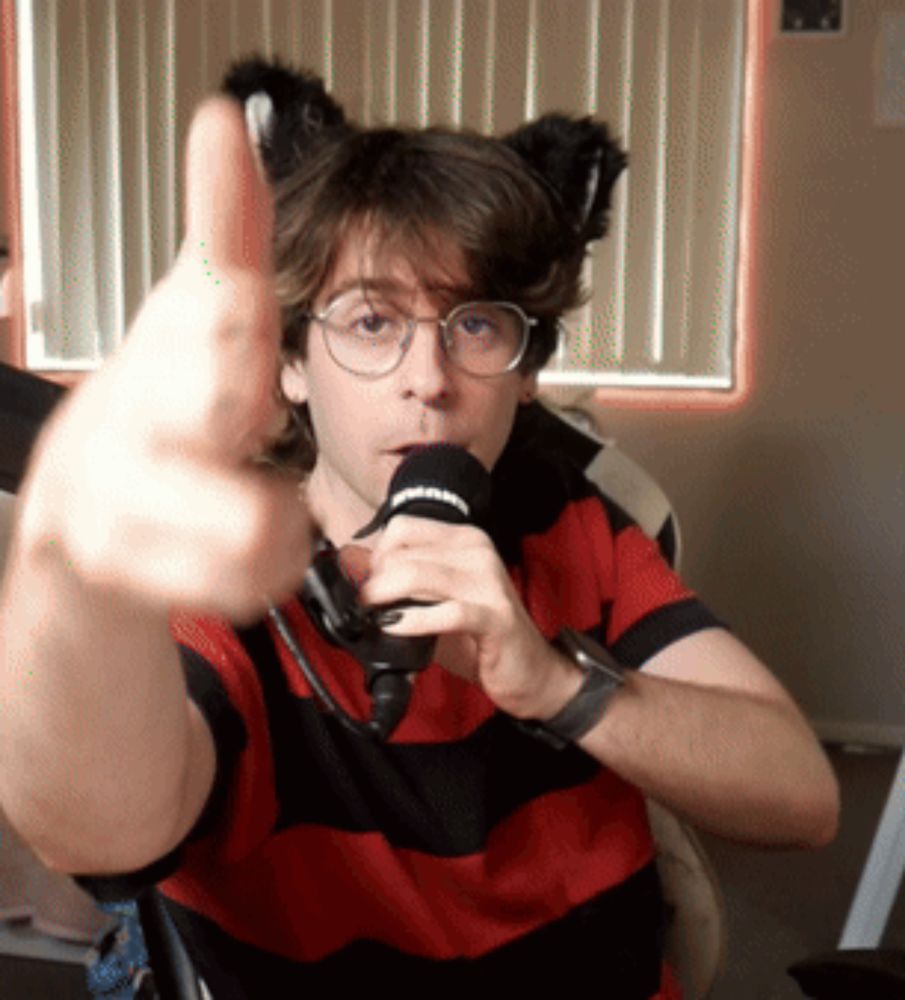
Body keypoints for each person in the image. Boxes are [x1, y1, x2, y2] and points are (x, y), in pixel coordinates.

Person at [0, 59, 839, 997]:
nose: (428, 378)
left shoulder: (574, 520)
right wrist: (66, 573)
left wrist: (555, 683)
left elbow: (801, 799)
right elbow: (95, 829)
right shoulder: (233, 570)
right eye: (370, 322)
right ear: (290, 365)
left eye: (473, 325)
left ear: (525, 373)